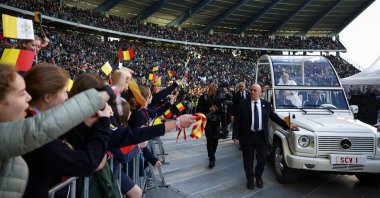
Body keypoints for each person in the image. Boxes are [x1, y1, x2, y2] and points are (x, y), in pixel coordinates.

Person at [0, 64, 111, 197]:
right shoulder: (36, 138)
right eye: (64, 91)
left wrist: (87, 124)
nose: (67, 97)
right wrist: (103, 124)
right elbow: (86, 163)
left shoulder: (30, 125)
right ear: (48, 97)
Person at [232, 84, 296, 190]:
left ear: (260, 92)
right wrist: (235, 135)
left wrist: (287, 125)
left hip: (261, 136)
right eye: (251, 90)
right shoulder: (243, 104)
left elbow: (274, 117)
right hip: (247, 136)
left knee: (263, 158)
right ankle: (250, 179)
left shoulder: (266, 104)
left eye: (255, 90)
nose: (252, 92)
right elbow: (237, 120)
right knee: (248, 160)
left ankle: (258, 176)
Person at [196, 83, 222, 169]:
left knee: (216, 139)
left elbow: (221, 109)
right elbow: (198, 110)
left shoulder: (218, 97)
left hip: (216, 121)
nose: (215, 91)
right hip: (208, 122)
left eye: (215, 89)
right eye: (213, 89)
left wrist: (216, 108)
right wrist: (209, 109)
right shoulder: (203, 97)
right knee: (210, 139)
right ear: (209, 88)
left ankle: (212, 154)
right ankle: (211, 158)